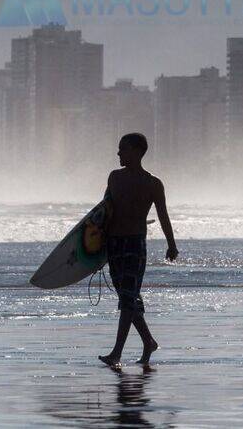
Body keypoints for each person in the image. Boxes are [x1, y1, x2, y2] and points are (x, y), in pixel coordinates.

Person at [97, 132, 177, 370]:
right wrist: (96, 249)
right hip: (113, 245)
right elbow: (103, 212)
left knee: (128, 300)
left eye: (123, 149)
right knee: (127, 298)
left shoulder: (153, 184)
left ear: (137, 151)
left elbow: (163, 216)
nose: (118, 153)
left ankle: (116, 353)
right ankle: (149, 342)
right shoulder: (114, 178)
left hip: (135, 245)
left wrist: (171, 244)